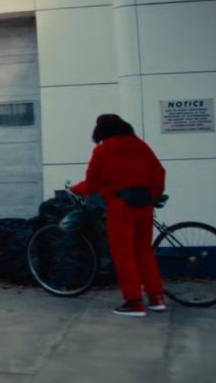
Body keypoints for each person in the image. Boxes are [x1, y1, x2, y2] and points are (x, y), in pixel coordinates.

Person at [72, 114, 167, 317]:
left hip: (121, 205)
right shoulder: (141, 145)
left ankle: (134, 302)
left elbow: (93, 183)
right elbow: (159, 172)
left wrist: (76, 189)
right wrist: (152, 195)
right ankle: (156, 297)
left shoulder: (103, 150)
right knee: (144, 251)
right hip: (144, 204)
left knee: (123, 254)